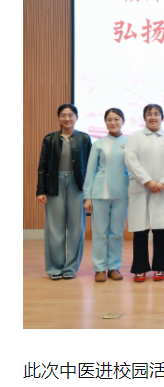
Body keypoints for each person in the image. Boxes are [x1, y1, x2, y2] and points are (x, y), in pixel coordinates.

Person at [125, 105, 164, 280]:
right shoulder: (135, 137)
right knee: (140, 230)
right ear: (144, 118)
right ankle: (140, 267)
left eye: (156, 114)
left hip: (161, 189)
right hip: (141, 187)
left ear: (162, 118)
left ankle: (160, 266)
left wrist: (163, 182)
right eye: (149, 114)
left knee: (160, 229)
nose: (153, 117)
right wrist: (147, 181)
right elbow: (130, 160)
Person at [37, 104, 92, 281]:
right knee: (55, 228)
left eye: (70, 115)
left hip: (78, 185)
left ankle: (70, 268)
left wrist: (90, 193)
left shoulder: (84, 138)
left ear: (76, 117)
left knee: (77, 228)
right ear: (58, 118)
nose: (67, 118)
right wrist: (41, 190)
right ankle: (55, 267)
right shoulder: (50, 139)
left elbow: (90, 168)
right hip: (55, 184)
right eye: (63, 115)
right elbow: (42, 166)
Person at [83, 109, 129, 282]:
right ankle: (100, 268)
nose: (113, 122)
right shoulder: (98, 144)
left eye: (116, 119)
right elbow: (90, 171)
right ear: (105, 122)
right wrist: (87, 196)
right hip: (99, 193)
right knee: (99, 233)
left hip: (122, 193)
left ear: (123, 121)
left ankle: (114, 267)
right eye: (109, 119)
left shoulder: (130, 142)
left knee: (116, 233)